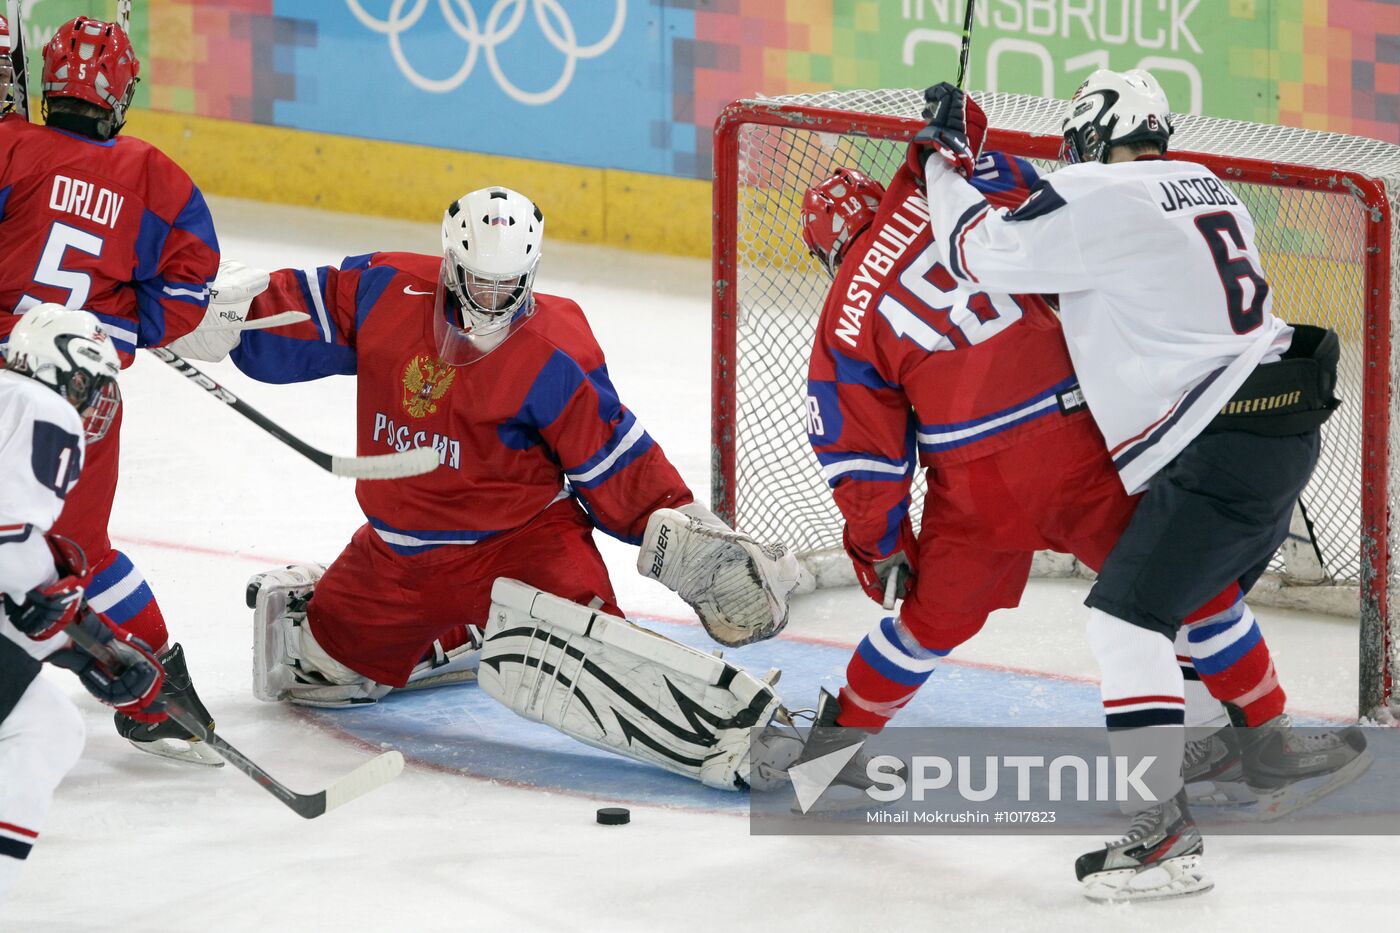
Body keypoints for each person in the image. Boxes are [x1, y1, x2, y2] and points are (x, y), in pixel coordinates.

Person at [797, 129, 1366, 823]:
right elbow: (1042, 193)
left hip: (974, 486)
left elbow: (866, 462)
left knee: (925, 624)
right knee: (1179, 584)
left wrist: (882, 549)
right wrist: (949, 141)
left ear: (829, 247)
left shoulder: (842, 320)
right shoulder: (955, 194)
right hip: (1077, 441)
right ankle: (1266, 733)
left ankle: (831, 746)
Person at [908, 71, 1353, 899]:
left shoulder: (1100, 191)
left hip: (1221, 448)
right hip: (1283, 434)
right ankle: (1244, 747)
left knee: (1126, 618)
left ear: (1092, 134)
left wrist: (943, 164)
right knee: (1187, 607)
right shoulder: (1205, 184)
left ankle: (1161, 835)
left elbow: (981, 256)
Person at [210, 186, 800, 789]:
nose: (493, 299)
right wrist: (221, 314)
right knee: (316, 668)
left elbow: (610, 454)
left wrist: (685, 527)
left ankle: (730, 735)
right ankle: (461, 631)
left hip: (522, 548)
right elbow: (311, 307)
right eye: (479, 281)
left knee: (602, 662)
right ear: (450, 264)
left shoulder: (553, 344)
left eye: (509, 283)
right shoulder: (387, 288)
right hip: (399, 554)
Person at [0, 15, 244, 764]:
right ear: (121, 95)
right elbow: (191, 284)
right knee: (83, 549)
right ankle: (159, 696)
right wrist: (126, 324)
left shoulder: (11, 146)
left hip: (4, 374)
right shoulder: (154, 177)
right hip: (83, 393)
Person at [0, 305, 166, 908]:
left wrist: (84, 652)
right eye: (89, 386)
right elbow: (12, 550)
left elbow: (15, 594)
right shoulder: (38, 409)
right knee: (43, 729)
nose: (94, 407)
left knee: (46, 724)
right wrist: (89, 638)